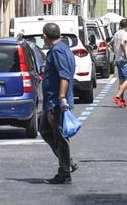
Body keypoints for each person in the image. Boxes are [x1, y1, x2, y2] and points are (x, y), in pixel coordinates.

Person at [40, 22, 78, 184]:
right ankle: (66, 162)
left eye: (43, 35)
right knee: (45, 129)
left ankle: (64, 171)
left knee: (59, 136)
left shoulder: (58, 51)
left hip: (56, 102)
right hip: (52, 101)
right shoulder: (62, 49)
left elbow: (64, 75)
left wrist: (62, 97)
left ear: (46, 36)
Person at [111, 18, 127, 107]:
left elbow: (110, 44)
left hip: (117, 59)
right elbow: (122, 43)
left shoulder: (116, 33)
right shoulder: (124, 34)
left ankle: (122, 100)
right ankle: (117, 96)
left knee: (121, 81)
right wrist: (125, 54)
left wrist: (115, 52)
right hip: (123, 60)